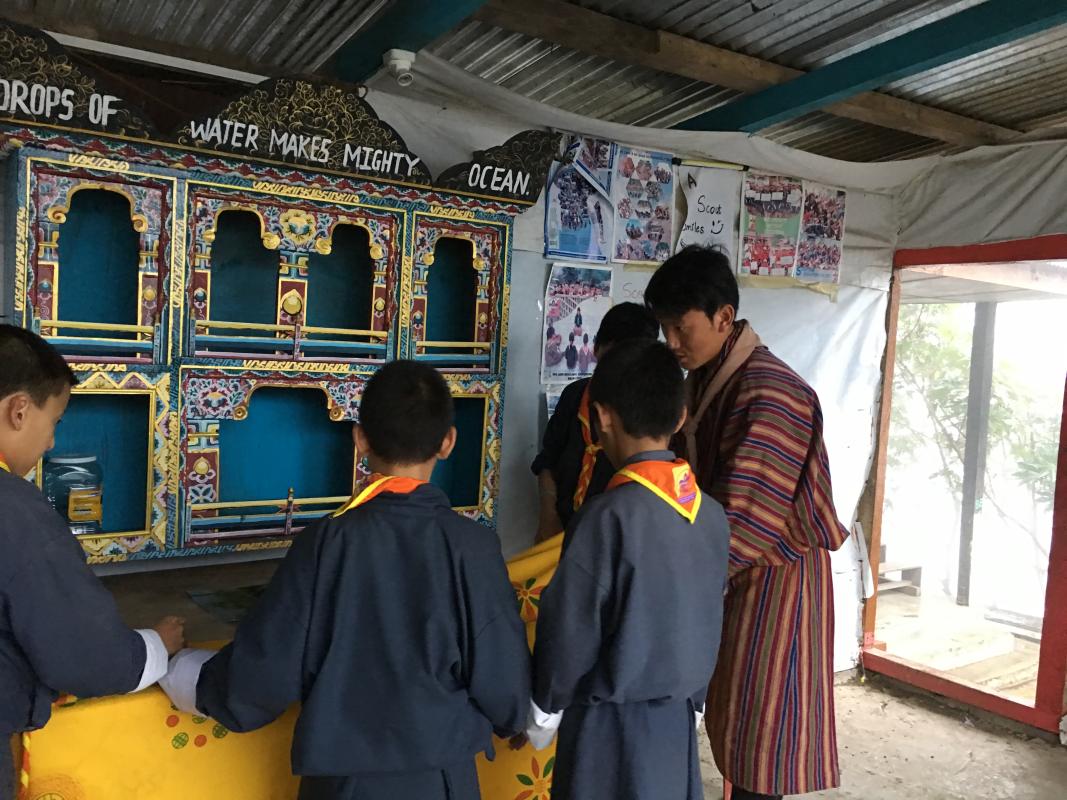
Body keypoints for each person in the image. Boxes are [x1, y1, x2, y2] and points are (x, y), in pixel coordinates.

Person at [160, 360, 531, 800]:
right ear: (448, 442)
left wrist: (177, 668)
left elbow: (262, 676)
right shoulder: (474, 546)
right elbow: (503, 678)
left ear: (360, 439)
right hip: (443, 781)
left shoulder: (327, 542)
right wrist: (515, 718)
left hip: (344, 785)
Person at [644, 246, 849, 800]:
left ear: (723, 318)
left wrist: (670, 592)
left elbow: (744, 526)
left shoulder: (770, 393)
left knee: (764, 734)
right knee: (738, 721)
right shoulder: (713, 377)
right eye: (664, 329)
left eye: (680, 328)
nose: (672, 343)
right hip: (733, 572)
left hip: (773, 583)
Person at [525, 338, 730, 800]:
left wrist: (544, 708)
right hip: (676, 722)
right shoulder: (712, 516)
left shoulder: (606, 517)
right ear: (680, 418)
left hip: (606, 728)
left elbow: (570, 627)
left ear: (601, 418)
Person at [0, 325, 184, 800]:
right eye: (55, 420)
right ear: (18, 411)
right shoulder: (14, 511)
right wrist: (154, 647)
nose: (50, 444)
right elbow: (85, 658)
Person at [531, 302, 659, 542]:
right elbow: (547, 461)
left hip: (614, 538)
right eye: (609, 359)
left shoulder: (645, 410)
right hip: (561, 531)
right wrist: (548, 518)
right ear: (597, 348)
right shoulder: (575, 396)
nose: (614, 372)